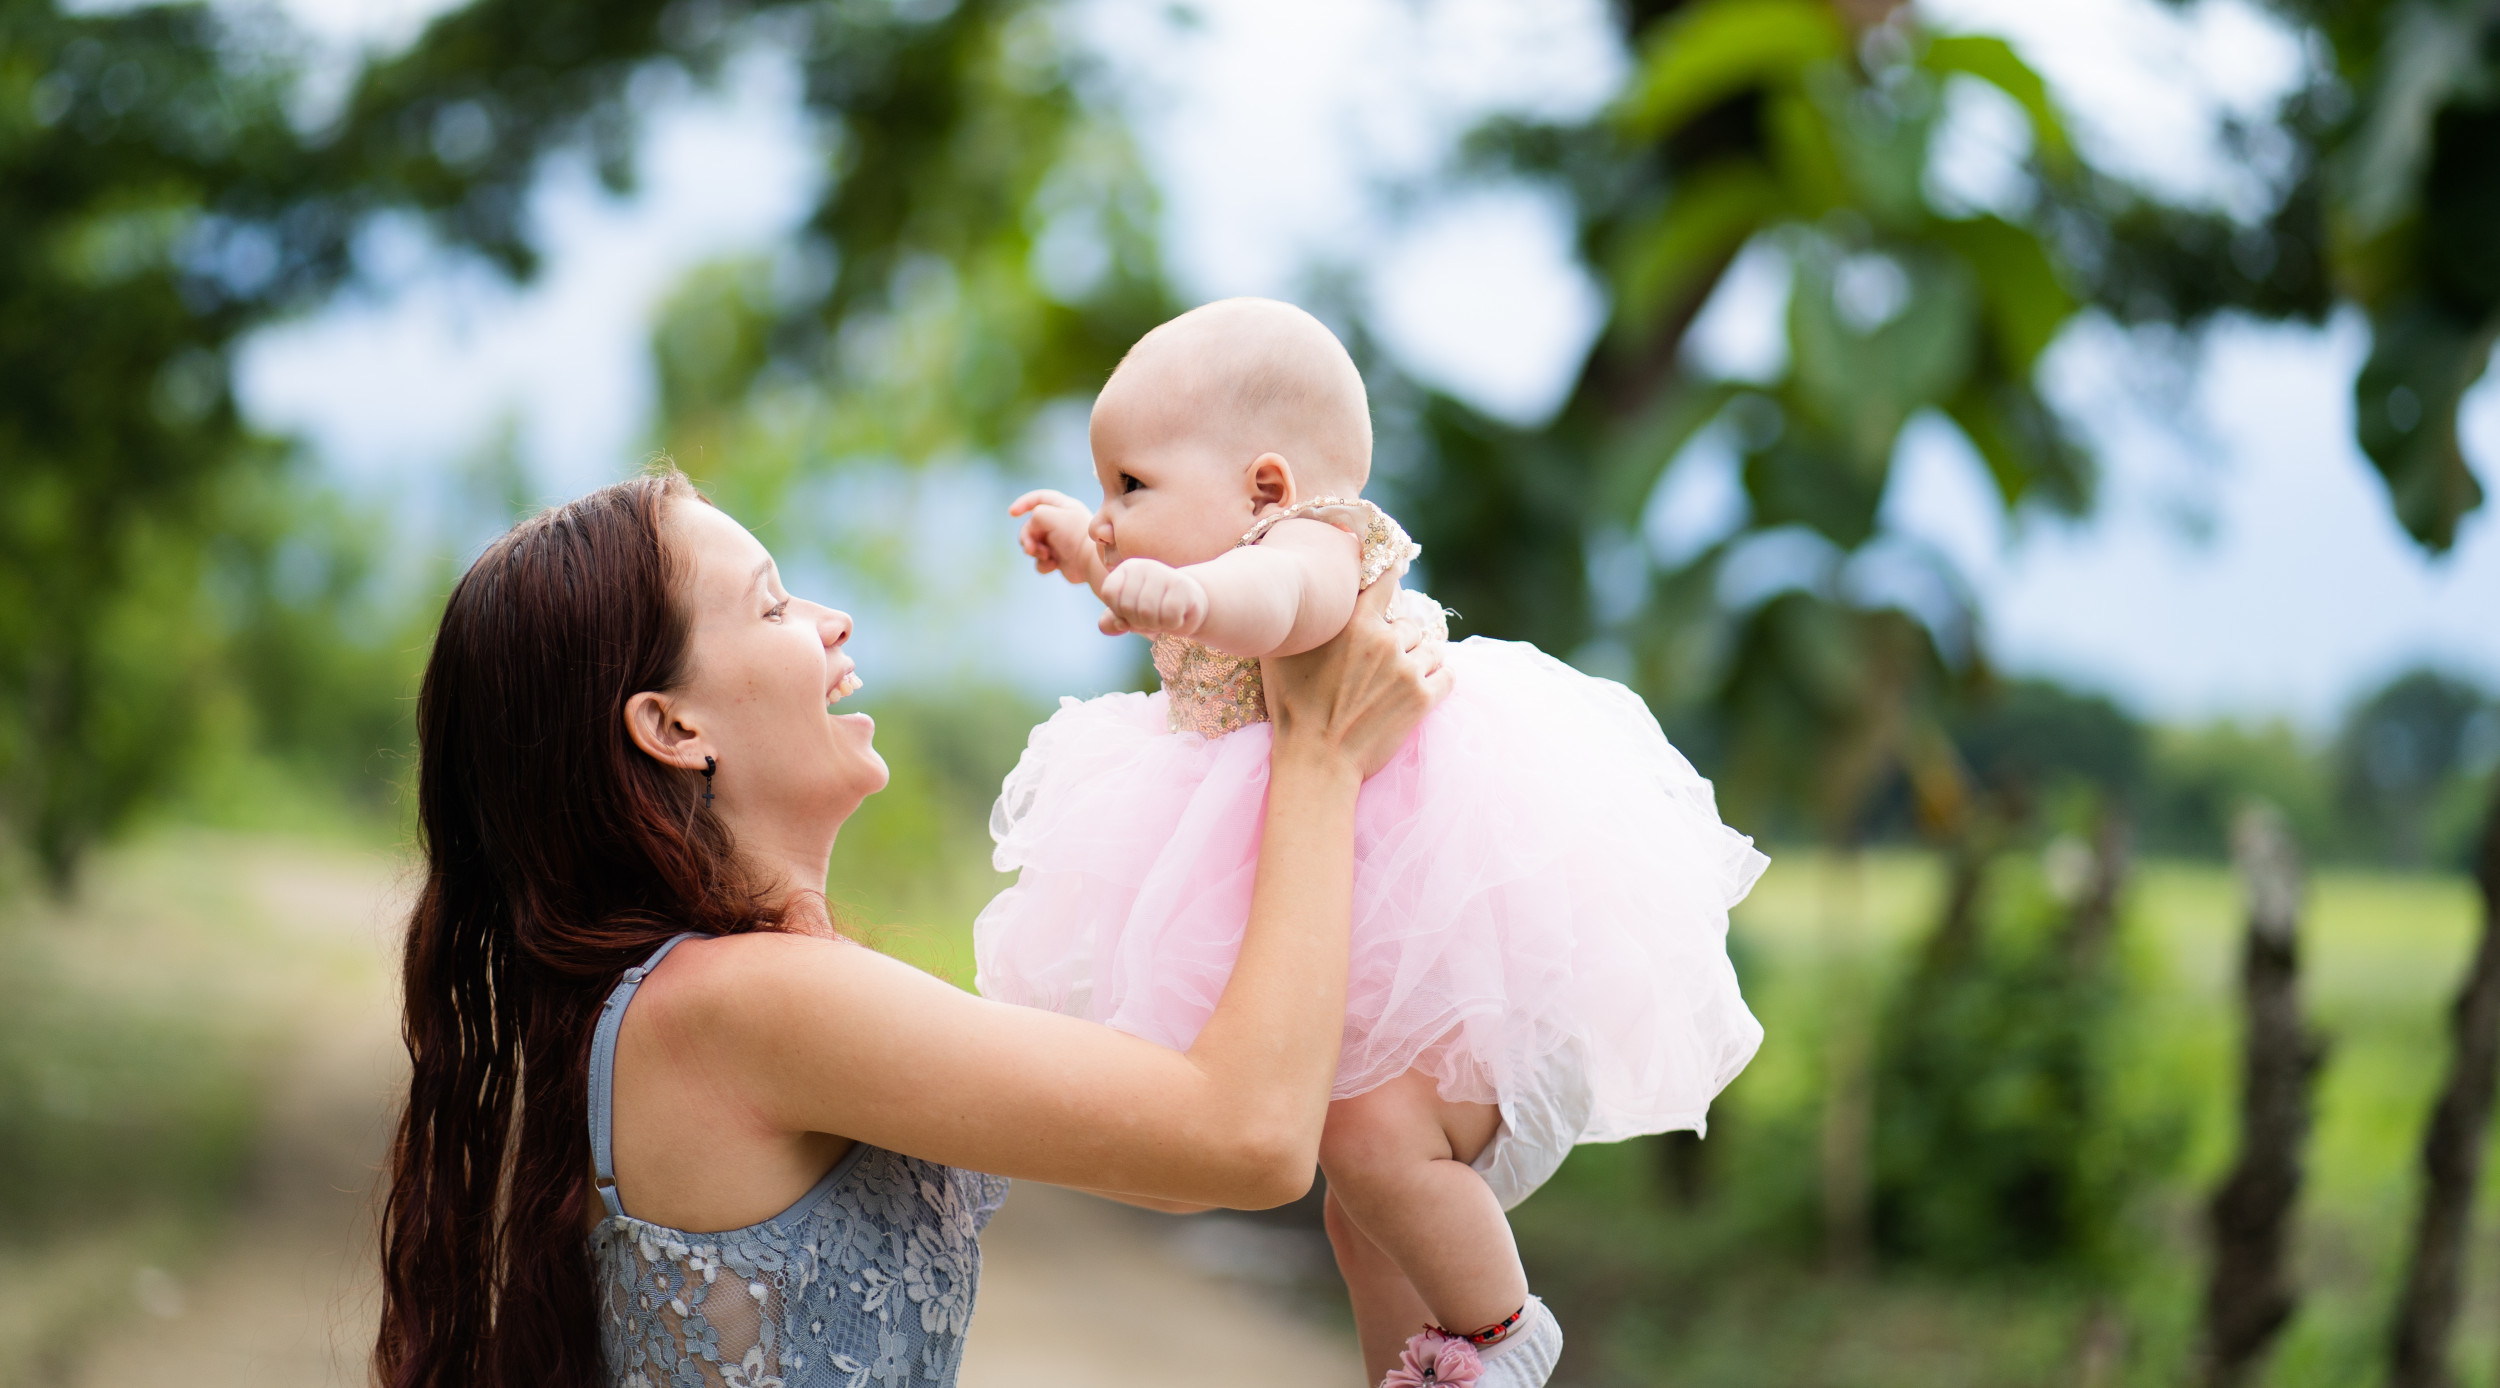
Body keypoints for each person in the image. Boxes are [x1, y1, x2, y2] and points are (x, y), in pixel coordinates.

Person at [374, 466, 1448, 1388]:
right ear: (671, 724)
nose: (831, 620)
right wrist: (1317, 755)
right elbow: (1247, 1140)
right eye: (772, 605)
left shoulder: (736, 991)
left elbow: (1169, 1161)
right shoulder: (744, 1000)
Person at [981, 298, 1768, 1387]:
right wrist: (1097, 552)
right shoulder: (1211, 562)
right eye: (1104, 487)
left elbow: (1275, 599)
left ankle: (1502, 1330)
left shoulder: (1310, 542)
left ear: (1265, 487)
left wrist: (1185, 588)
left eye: (1131, 486)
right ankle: (1405, 1366)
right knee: (1362, 1213)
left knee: (1370, 1143)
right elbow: (1177, 589)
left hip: (1414, 895)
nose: (1111, 513)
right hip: (1322, 898)